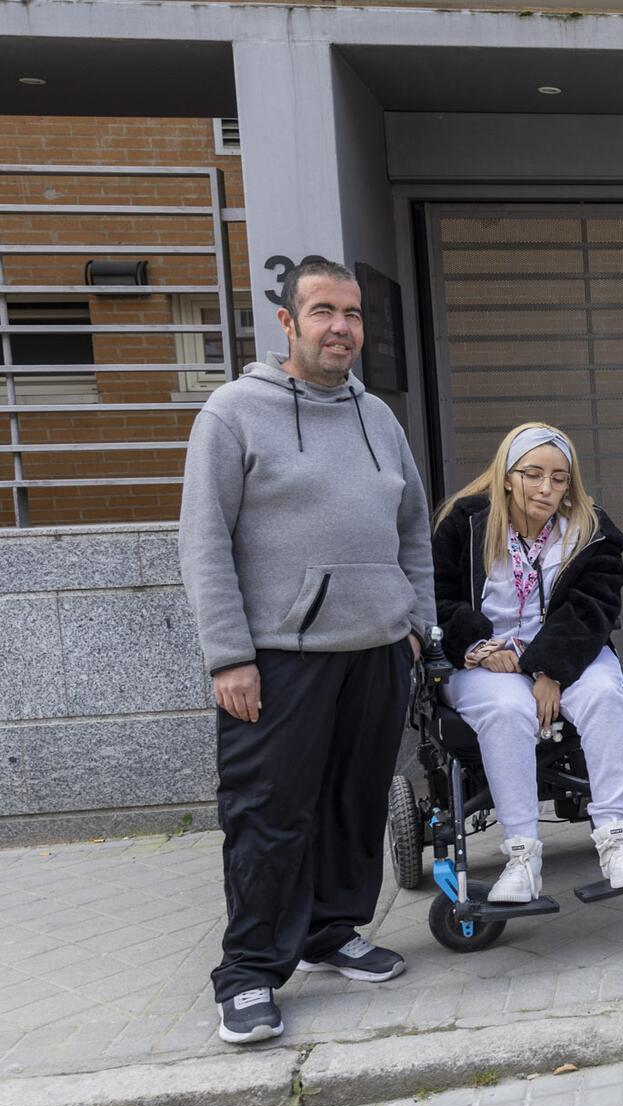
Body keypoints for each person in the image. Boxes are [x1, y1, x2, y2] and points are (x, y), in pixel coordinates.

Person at [179, 257, 433, 1046]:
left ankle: (332, 931)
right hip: (279, 658)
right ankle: (250, 971)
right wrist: (228, 656)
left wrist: (417, 621)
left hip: (377, 650)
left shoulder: (378, 418)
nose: (341, 328)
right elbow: (203, 542)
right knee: (269, 814)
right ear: (288, 322)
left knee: (355, 802)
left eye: (352, 313)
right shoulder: (233, 414)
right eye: (323, 311)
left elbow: (413, 528)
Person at [431, 422, 623, 904]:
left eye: (559, 478)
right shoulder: (464, 522)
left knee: (604, 696)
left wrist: (551, 670)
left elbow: (593, 608)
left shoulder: (591, 531)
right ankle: (522, 855)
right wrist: (480, 645)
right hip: (485, 661)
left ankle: (614, 840)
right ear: (508, 475)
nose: (547, 488)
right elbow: (438, 598)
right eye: (534, 475)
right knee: (508, 711)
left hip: (566, 651)